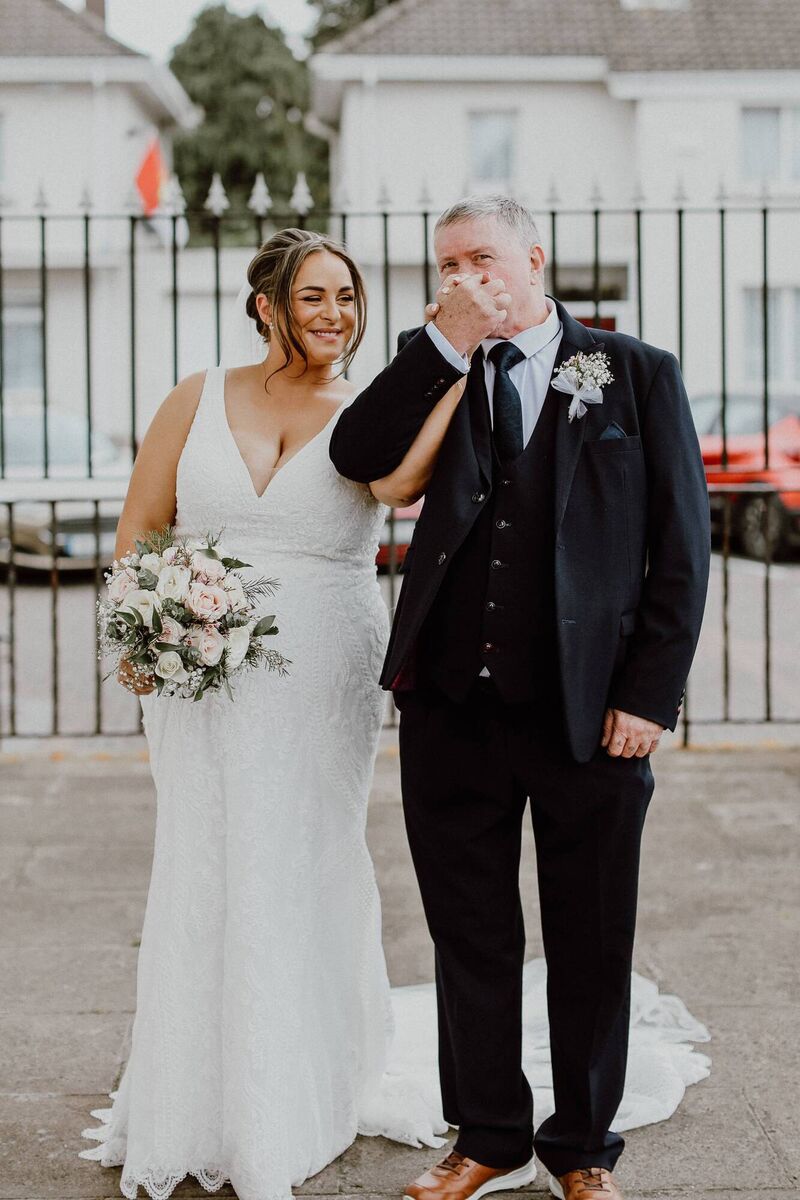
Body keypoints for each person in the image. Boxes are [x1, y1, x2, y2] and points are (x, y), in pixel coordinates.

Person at [329, 195, 711, 1200]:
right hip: (451, 707)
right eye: (447, 265)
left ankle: (581, 1149)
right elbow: (355, 456)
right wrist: (436, 347)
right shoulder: (439, 372)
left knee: (589, 931)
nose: (466, 279)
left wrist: (648, 695)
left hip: (588, 714)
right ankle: (488, 1134)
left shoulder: (632, 373)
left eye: (483, 259)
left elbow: (679, 551)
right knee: (470, 933)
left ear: (533, 258)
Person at [80, 228, 463, 1200]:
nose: (334, 315)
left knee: (300, 859)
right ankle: (195, 1097)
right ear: (267, 306)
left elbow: (397, 485)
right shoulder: (193, 396)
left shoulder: (367, 407)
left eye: (347, 297)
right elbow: (141, 530)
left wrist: (454, 375)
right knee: (205, 860)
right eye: (313, 297)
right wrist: (142, 635)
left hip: (320, 667)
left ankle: (298, 1094)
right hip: (194, 671)